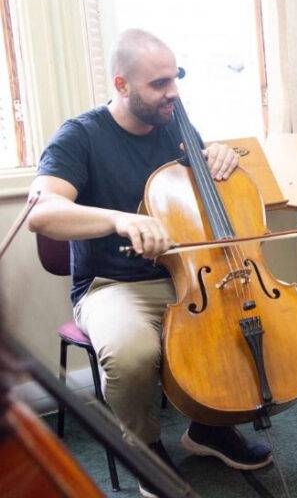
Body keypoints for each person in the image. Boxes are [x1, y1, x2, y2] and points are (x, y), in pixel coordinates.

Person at [27, 29, 271, 496]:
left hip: (190, 273)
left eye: (175, 78)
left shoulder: (175, 123)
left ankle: (209, 428)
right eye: (158, 84)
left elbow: (199, 191)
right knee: (131, 353)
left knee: (243, 321)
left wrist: (215, 157)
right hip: (114, 284)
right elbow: (43, 214)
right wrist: (119, 220)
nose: (173, 93)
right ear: (121, 85)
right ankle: (146, 448)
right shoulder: (80, 136)